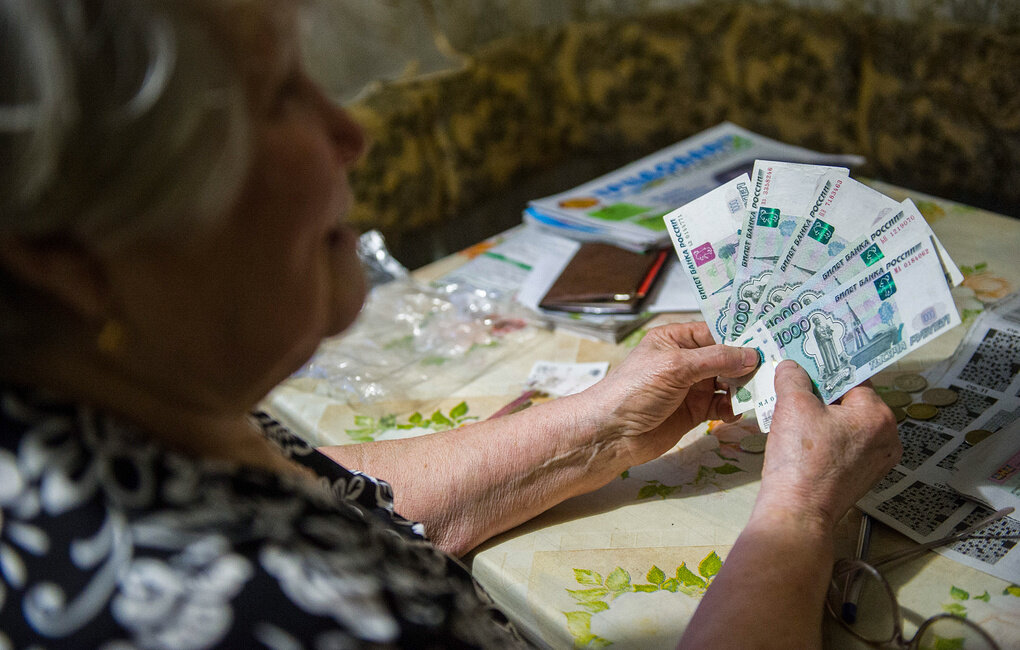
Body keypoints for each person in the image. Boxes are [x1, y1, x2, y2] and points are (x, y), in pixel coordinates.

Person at [0, 1, 901, 647]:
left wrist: (598, 426)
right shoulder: (270, 619)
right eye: (274, 96)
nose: (349, 134)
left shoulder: (87, 427)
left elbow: (328, 494)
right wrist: (798, 518)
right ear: (70, 253)